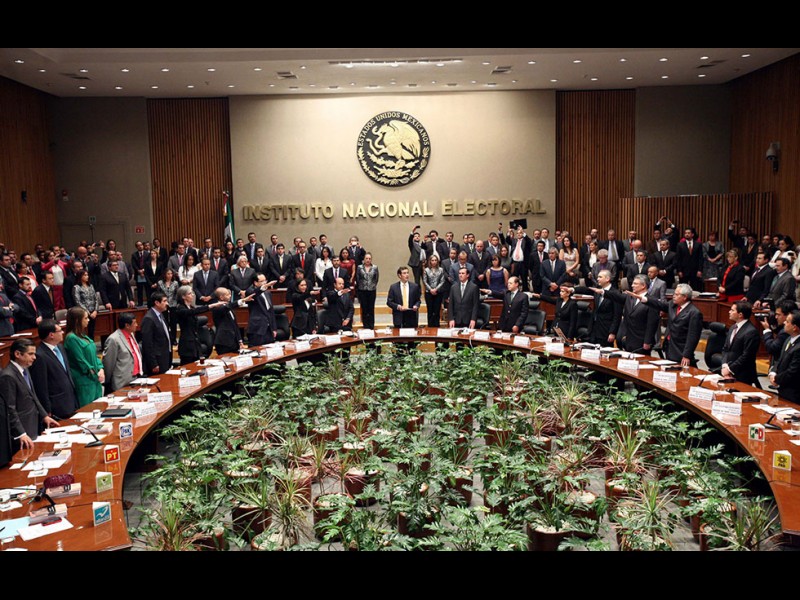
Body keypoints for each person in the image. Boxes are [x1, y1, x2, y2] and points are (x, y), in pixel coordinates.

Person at [0, 339, 59, 463]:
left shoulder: (25, 369)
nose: (34, 357)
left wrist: (44, 416)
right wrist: (21, 433)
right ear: (18, 354)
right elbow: (10, 409)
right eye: (30, 354)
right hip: (22, 434)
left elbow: (33, 396)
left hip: (33, 426)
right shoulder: (8, 376)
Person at [628, 283, 703, 367]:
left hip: (681, 350)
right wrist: (643, 298)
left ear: (685, 297)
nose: (673, 296)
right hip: (669, 347)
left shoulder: (694, 313)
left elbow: (693, 337)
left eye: (676, 294)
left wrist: (687, 355)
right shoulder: (672, 305)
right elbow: (659, 304)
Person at [30, 319, 79, 419]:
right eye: (60, 330)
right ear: (51, 335)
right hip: (56, 407)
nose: (62, 332)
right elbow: (41, 387)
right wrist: (47, 410)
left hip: (71, 400)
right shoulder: (40, 356)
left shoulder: (60, 347)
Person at [603, 274, 659, 353]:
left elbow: (652, 324)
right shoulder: (630, 297)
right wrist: (603, 292)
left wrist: (647, 341)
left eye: (635, 284)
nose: (632, 285)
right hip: (628, 339)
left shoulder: (651, 301)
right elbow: (616, 296)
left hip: (641, 341)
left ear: (643, 286)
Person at [63, 306, 105, 407]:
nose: (88, 320)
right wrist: (96, 374)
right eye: (85, 318)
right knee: (88, 409)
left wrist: (101, 369)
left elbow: (94, 355)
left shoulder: (83, 335)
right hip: (84, 381)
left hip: (95, 379)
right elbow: (81, 361)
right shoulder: (71, 338)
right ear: (77, 320)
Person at [174, 285, 223, 365]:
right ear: (183, 296)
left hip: (195, 342)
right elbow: (193, 311)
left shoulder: (191, 307)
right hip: (187, 344)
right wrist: (211, 306)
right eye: (190, 294)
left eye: (192, 293)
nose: (192, 295)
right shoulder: (180, 308)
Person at [575, 270, 623, 346]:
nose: (597, 279)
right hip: (594, 329)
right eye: (598, 277)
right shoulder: (597, 290)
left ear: (607, 279)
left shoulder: (615, 293)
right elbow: (586, 289)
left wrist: (612, 332)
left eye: (600, 277)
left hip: (606, 330)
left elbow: (617, 315)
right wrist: (573, 289)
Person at [719, 301, 760, 386]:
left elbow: (747, 356)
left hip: (743, 375)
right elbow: (726, 348)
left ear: (740, 314)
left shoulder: (751, 332)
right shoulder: (732, 327)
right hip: (728, 372)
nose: (729, 312)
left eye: (732, 310)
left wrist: (730, 369)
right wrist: (724, 365)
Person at [102, 312, 144, 393]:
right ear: (127, 325)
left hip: (136, 378)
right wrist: (107, 382)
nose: (137, 325)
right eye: (134, 323)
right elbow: (109, 363)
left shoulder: (131, 334)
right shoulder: (113, 339)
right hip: (121, 382)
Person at [768, 309, 800, 404]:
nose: (784, 323)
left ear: (794, 327)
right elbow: (780, 360)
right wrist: (773, 372)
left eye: (787, 321)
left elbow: (792, 371)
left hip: (794, 393)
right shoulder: (788, 339)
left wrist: (776, 379)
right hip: (783, 389)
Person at [141, 291, 173, 376]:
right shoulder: (149, 319)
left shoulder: (161, 315)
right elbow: (147, 343)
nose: (167, 303)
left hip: (165, 357)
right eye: (164, 301)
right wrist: (153, 363)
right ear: (157, 303)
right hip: (157, 361)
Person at [213, 286, 250, 354]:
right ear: (221, 297)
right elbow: (226, 307)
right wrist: (243, 300)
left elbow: (234, 325)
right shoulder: (217, 307)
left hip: (234, 342)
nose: (230, 296)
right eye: (227, 295)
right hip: (224, 342)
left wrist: (240, 341)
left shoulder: (228, 307)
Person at [245, 275, 277, 346]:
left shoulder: (268, 293)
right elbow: (254, 294)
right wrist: (266, 286)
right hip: (257, 328)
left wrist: (274, 328)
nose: (265, 282)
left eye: (265, 280)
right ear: (255, 283)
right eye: (262, 281)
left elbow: (271, 311)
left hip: (268, 328)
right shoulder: (250, 291)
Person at [761, 300, 796, 366]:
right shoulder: (782, 329)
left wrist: (767, 330)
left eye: (778, 314)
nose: (776, 317)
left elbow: (771, 348)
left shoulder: (786, 332)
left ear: (788, 315)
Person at [355, 253, 379, 330]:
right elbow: (358, 278)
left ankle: (371, 325)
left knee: (371, 308)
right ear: (364, 259)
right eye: (366, 258)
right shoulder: (359, 267)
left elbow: (376, 279)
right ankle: (365, 325)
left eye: (369, 258)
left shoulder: (375, 267)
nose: (368, 260)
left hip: (372, 290)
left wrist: (372, 285)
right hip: (362, 290)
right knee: (364, 308)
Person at [423, 254, 447, 328]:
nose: (434, 262)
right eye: (432, 260)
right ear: (430, 261)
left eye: (435, 260)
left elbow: (442, 281)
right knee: (430, 310)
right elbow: (425, 281)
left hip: (438, 292)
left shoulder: (441, 270)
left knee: (437, 310)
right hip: (429, 292)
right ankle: (430, 326)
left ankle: (436, 326)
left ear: (437, 261)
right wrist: (430, 289)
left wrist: (436, 289)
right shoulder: (426, 270)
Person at [157, 267, 179, 345]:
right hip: (164, 305)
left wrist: (175, 303)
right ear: (165, 274)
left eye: (171, 274)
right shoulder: (160, 283)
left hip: (173, 304)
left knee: (173, 322)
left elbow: (177, 294)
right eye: (168, 274)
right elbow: (158, 294)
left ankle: (174, 339)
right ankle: (166, 338)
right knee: (165, 321)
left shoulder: (175, 283)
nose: (170, 275)